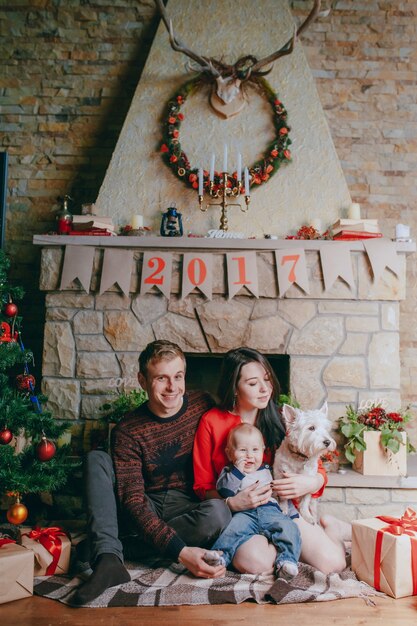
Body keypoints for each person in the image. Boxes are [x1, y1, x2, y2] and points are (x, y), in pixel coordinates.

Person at [73, 340, 231, 605]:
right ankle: (110, 559)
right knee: (96, 459)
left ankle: (118, 548)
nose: (172, 387)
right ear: (142, 381)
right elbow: (132, 503)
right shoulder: (128, 429)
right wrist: (182, 553)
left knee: (219, 512)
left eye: (178, 377)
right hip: (143, 503)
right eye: (161, 378)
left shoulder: (202, 404)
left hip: (187, 505)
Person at [193, 347, 351, 576]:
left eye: (267, 379)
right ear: (234, 387)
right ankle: (283, 550)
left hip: (282, 511)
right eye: (253, 383)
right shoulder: (212, 422)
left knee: (333, 564)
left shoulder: (281, 418)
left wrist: (312, 483)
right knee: (256, 564)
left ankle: (331, 529)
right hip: (241, 516)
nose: (265, 389)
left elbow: (313, 464)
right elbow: (202, 487)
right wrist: (233, 502)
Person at [206, 423, 301, 580]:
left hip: (270, 511)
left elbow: (280, 492)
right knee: (232, 530)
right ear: (230, 453)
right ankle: (220, 557)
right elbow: (225, 491)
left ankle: (287, 562)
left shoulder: (268, 471)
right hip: (244, 514)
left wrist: (292, 514)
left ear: (263, 450)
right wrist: (238, 471)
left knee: (290, 529)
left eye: (255, 450)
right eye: (243, 450)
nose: (249, 456)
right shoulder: (230, 471)